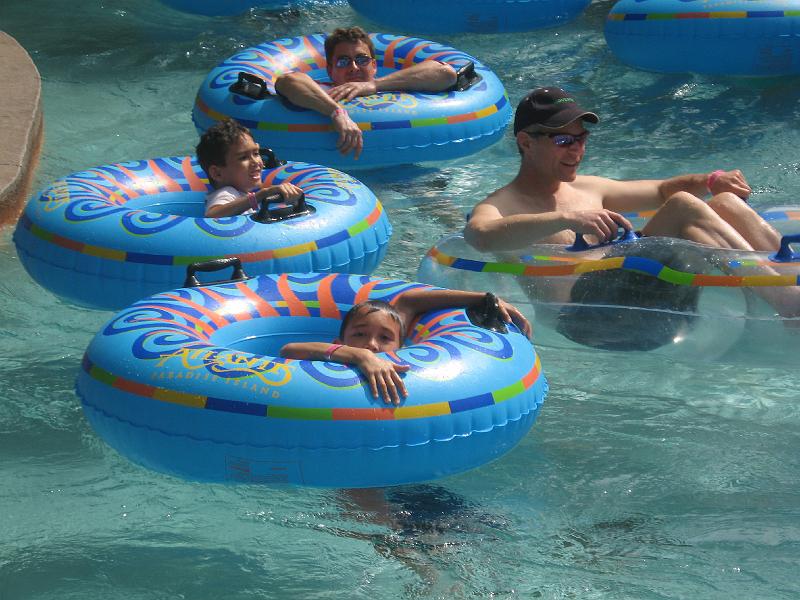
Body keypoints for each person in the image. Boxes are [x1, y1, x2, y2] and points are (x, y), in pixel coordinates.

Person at [464, 86, 800, 320]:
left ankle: (793, 284)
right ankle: (790, 307)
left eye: (582, 139)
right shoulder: (503, 203)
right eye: (564, 140)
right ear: (526, 142)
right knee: (684, 206)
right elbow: (480, 235)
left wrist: (711, 181)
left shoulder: (589, 187)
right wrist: (565, 218)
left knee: (724, 201)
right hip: (587, 318)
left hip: (633, 296)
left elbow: (661, 190)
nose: (577, 150)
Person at [280, 288, 531, 405]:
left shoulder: (409, 362)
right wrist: (359, 357)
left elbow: (409, 300)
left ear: (402, 345)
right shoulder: (333, 358)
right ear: (339, 343)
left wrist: (485, 299)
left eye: (385, 338)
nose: (371, 344)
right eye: (359, 334)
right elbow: (289, 350)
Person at [274, 26, 457, 160]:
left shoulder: (396, 87)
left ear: (374, 65)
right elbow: (287, 81)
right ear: (330, 70)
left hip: (398, 163)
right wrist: (337, 112)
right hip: (337, 168)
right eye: (343, 61)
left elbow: (446, 73)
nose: (354, 67)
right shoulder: (323, 91)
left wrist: (374, 85)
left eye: (362, 59)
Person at [196, 118, 303, 217]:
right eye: (243, 157)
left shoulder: (240, 194)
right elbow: (212, 215)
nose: (256, 162)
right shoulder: (226, 192)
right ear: (217, 173)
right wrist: (260, 195)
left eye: (256, 153)